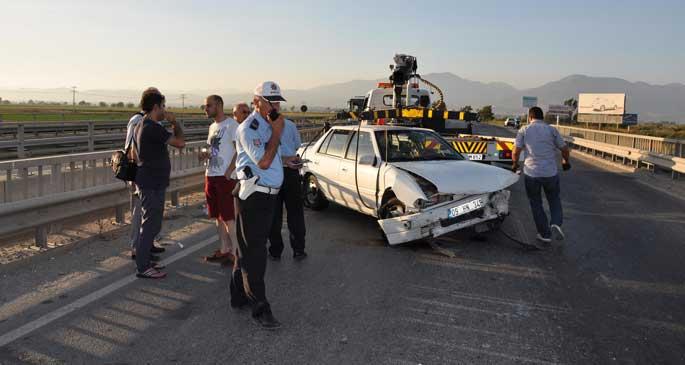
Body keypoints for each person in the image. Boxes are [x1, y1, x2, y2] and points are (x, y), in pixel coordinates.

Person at [230, 81, 285, 329]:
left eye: (277, 102)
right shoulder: (249, 128)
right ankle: (260, 308)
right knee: (256, 254)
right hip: (254, 197)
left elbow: (272, 157)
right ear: (256, 102)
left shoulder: (267, 124)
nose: (274, 106)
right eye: (269, 101)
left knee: (248, 249)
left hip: (270, 196)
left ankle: (238, 294)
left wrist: (289, 161)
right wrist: (277, 131)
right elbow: (263, 161)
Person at [134, 90, 185, 279]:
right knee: (150, 225)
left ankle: (145, 260)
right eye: (163, 106)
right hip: (151, 182)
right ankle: (143, 266)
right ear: (155, 107)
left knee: (153, 224)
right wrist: (175, 122)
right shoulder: (152, 127)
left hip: (152, 181)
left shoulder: (142, 124)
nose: (164, 110)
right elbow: (180, 143)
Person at [512, 106, 571, 244]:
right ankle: (556, 223)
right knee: (554, 200)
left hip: (531, 173)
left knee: (536, 203)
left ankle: (544, 234)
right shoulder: (551, 130)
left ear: (530, 117)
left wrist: (515, 164)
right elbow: (564, 149)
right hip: (550, 173)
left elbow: (516, 151)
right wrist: (565, 161)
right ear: (542, 117)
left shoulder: (524, 130)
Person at [199, 95, 240, 265]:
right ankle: (224, 249)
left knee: (229, 216)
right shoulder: (212, 127)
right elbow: (214, 150)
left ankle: (236, 252)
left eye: (208, 106)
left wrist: (229, 171)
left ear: (219, 105)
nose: (205, 109)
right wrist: (205, 155)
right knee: (217, 215)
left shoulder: (232, 125)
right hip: (211, 174)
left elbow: (240, 149)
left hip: (225, 177)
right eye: (205, 106)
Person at [125, 87, 165, 262]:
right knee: (139, 213)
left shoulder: (152, 120)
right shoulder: (137, 120)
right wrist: (134, 176)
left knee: (151, 213)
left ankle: (148, 245)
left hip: (153, 174)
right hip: (141, 174)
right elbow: (131, 148)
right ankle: (137, 248)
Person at [268, 102, 307, 261]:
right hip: (291, 172)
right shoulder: (290, 125)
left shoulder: (263, 127)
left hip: (272, 173)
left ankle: (275, 250)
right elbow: (297, 145)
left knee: (274, 214)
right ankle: (298, 250)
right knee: (295, 213)